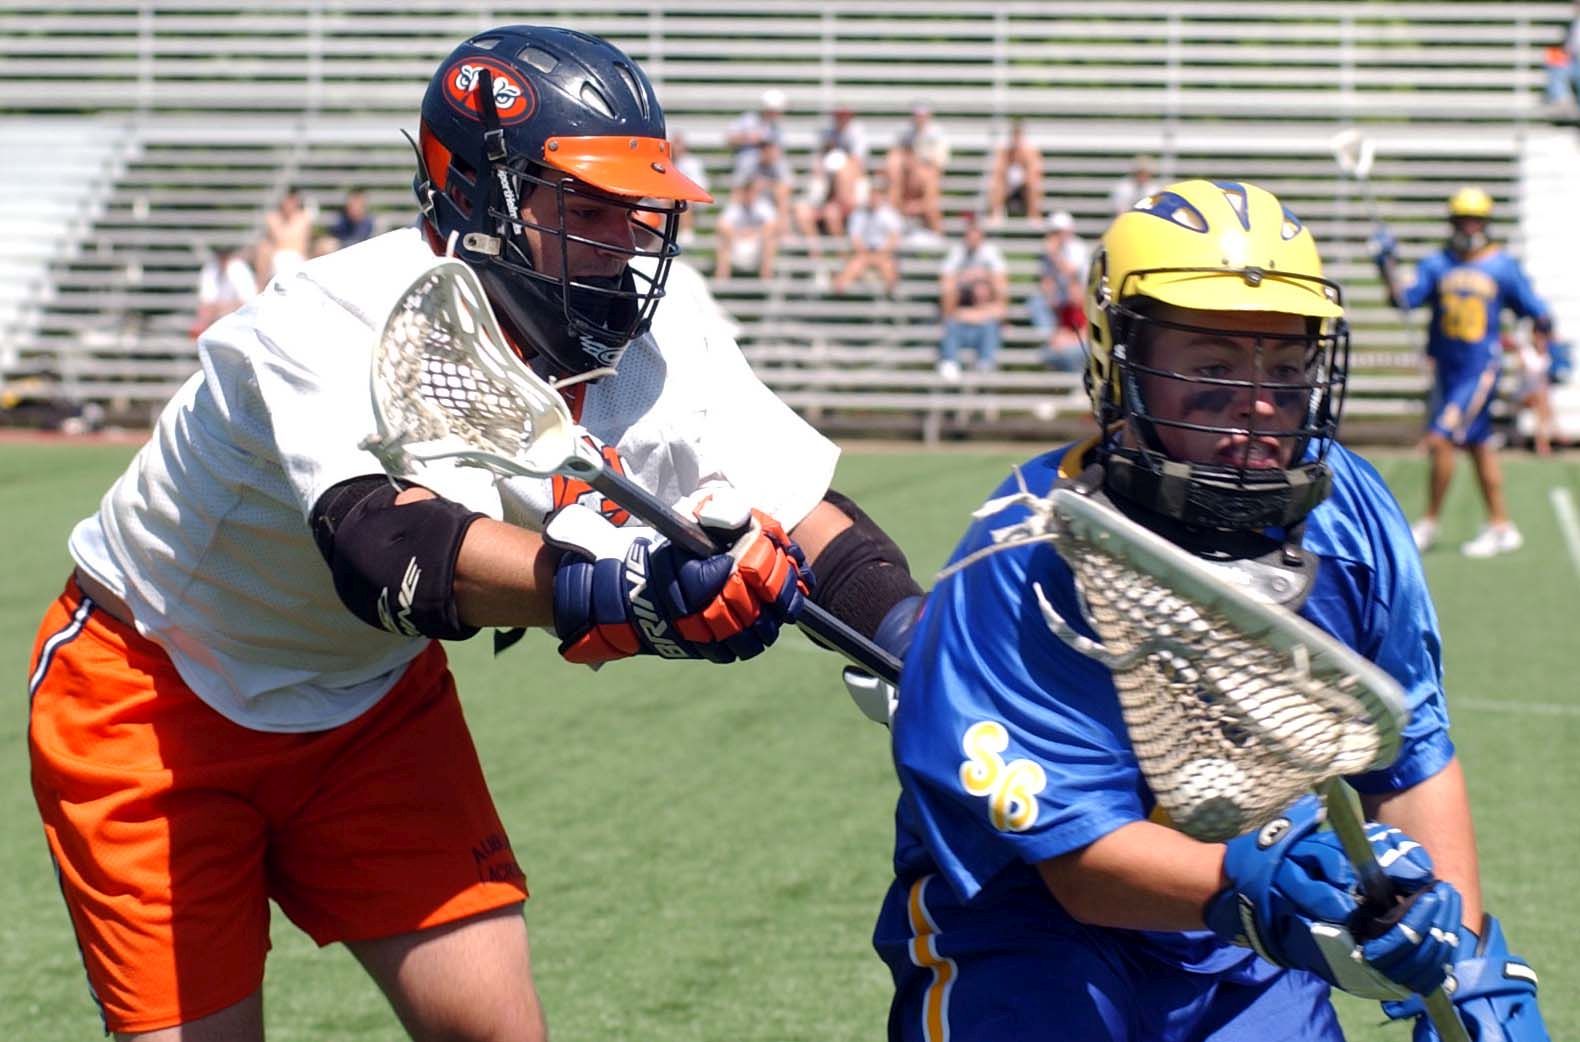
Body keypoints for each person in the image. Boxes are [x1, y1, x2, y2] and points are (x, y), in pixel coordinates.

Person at [27, 26, 924, 1041]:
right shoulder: (327, 315)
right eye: (587, 208)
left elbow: (802, 509)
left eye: (638, 211)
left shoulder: (643, 324)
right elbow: (384, 549)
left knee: (498, 1031)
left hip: (366, 704)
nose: (627, 243)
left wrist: (920, 640)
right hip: (155, 691)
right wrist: (621, 590)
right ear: (476, 194)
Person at [874, 179, 1549, 1042]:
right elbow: (1080, 864)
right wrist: (1263, 896)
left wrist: (1462, 968)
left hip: (1247, 935)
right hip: (1035, 920)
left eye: (1285, 365)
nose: (1259, 399)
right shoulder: (1024, 557)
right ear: (1120, 362)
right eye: (1213, 366)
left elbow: (1409, 760)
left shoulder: (1351, 515)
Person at [1374, 186, 1555, 557]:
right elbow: (1404, 300)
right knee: (1478, 444)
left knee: (1440, 439)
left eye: (1475, 220)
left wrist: (1541, 342)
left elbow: (1536, 310)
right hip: (1447, 370)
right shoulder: (1437, 264)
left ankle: (1428, 522)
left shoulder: (1502, 265)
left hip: (1479, 369)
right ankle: (1502, 526)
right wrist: (1385, 266)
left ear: (1486, 223)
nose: (1469, 227)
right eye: (1462, 220)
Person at [936, 215, 1007, 380]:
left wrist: (982, 278)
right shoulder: (957, 253)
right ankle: (950, 361)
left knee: (990, 325)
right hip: (963, 319)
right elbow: (946, 286)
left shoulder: (991, 253)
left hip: (978, 321)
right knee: (950, 309)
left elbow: (1001, 299)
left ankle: (985, 363)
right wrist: (965, 278)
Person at [1024, 210, 1089, 372]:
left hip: (1075, 302)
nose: (1055, 236)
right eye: (1054, 232)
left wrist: (1054, 255)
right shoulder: (1048, 252)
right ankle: (1050, 337)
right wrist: (1050, 295)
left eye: (1058, 232)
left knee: (1072, 352)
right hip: (1062, 301)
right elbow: (1046, 280)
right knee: (1036, 303)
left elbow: (1071, 273)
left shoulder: (1077, 247)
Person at [831, 175, 903, 298]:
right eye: (873, 192)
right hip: (863, 254)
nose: (875, 196)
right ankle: (838, 297)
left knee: (889, 270)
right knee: (851, 269)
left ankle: (890, 299)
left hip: (883, 254)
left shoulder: (891, 214)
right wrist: (867, 255)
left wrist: (880, 254)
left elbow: (894, 238)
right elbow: (855, 238)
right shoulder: (859, 213)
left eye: (879, 193)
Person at [886, 102, 949, 237]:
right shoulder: (906, 134)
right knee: (895, 164)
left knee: (931, 204)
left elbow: (938, 166)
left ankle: (938, 237)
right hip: (908, 183)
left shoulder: (936, 134)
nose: (919, 119)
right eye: (917, 116)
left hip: (923, 181)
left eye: (922, 116)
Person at [715, 175, 782, 281]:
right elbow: (721, 224)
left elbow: (773, 225)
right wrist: (739, 233)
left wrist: (753, 233)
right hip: (736, 243)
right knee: (723, 240)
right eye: (747, 191)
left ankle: (766, 281)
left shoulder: (763, 206)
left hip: (758, 245)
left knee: (769, 239)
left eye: (751, 191)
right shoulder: (735, 206)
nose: (749, 194)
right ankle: (721, 282)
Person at [189, 243, 257, 338]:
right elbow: (205, 303)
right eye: (220, 255)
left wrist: (219, 308)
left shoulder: (239, 268)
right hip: (218, 319)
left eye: (225, 255)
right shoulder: (211, 268)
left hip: (239, 321)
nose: (222, 258)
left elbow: (247, 304)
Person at [984, 118, 1043, 223]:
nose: (1016, 139)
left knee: (1033, 184)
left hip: (1023, 187)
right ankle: (995, 214)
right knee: (996, 184)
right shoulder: (1004, 152)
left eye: (1018, 136)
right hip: (1007, 186)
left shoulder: (1030, 152)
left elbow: (1035, 173)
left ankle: (1034, 216)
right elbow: (998, 171)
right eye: (1015, 136)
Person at [726, 87, 787, 188]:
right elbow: (730, 139)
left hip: (769, 164)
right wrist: (748, 138)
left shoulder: (776, 127)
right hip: (748, 160)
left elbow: (778, 149)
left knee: (783, 172)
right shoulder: (748, 120)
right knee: (747, 164)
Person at [257, 184, 314, 284]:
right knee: (264, 249)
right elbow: (267, 244)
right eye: (287, 200)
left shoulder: (304, 219)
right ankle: (260, 286)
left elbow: (307, 246)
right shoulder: (272, 219)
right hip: (277, 258)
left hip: (297, 258)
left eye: (292, 200)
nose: (289, 204)